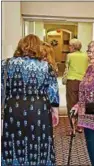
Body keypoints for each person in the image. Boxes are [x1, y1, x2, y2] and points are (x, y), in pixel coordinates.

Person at [1, 34, 59, 165]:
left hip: (13, 108)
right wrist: (55, 111)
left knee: (14, 139)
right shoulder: (46, 66)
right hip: (39, 110)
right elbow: (53, 92)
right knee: (39, 140)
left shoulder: (5, 64)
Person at [65, 38, 88, 133]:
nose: (69, 47)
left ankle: (73, 128)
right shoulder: (86, 56)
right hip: (84, 82)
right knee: (82, 103)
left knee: (71, 103)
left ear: (73, 47)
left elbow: (67, 68)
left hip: (72, 81)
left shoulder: (70, 55)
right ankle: (80, 126)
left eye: (70, 46)